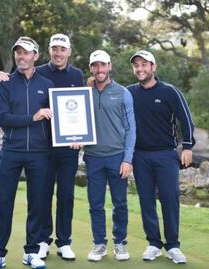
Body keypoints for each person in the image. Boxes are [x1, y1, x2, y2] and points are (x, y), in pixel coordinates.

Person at [0, 33, 84, 261]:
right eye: (54, 48)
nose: (58, 52)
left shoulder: (71, 76)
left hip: (59, 148)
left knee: (58, 197)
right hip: (30, 148)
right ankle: (32, 244)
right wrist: (2, 76)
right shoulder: (24, 77)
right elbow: (4, 114)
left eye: (62, 49)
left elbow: (73, 109)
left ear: (69, 51)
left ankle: (54, 244)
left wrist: (79, 134)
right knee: (32, 199)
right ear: (47, 51)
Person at [0, 36, 53, 269]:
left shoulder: (47, 84)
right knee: (4, 203)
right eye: (18, 52)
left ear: (35, 56)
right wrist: (32, 118)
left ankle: (32, 252)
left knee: (37, 203)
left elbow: (58, 120)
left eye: (26, 53)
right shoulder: (4, 83)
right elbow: (2, 118)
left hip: (39, 152)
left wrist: (75, 137)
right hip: (11, 151)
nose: (21, 57)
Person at [127, 50, 195, 264]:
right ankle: (154, 244)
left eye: (144, 64)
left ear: (153, 67)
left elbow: (186, 119)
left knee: (169, 198)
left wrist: (187, 146)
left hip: (166, 155)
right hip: (140, 156)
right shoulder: (128, 93)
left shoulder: (170, 91)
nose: (140, 68)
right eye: (136, 65)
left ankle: (173, 246)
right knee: (146, 200)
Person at [83, 50, 136, 262]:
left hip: (117, 156)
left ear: (110, 66)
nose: (99, 69)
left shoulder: (123, 93)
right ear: (91, 68)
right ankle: (99, 244)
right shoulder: (84, 92)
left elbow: (131, 129)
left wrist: (128, 159)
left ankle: (120, 243)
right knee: (95, 204)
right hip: (93, 156)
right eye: (95, 66)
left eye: (102, 65)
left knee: (120, 203)